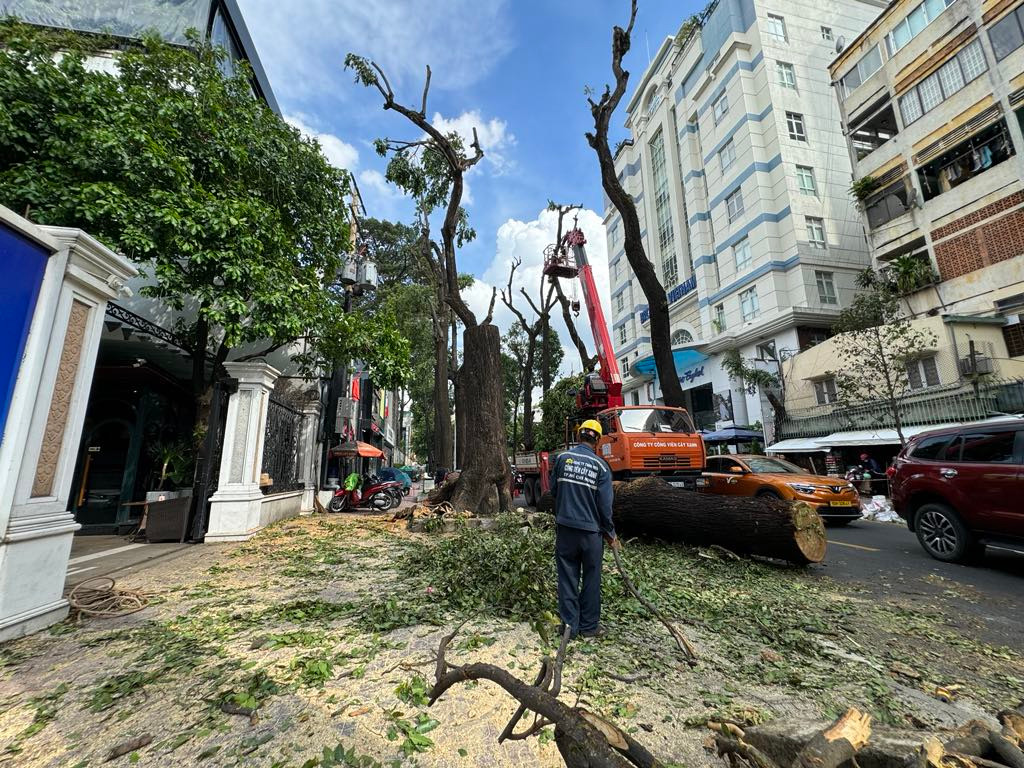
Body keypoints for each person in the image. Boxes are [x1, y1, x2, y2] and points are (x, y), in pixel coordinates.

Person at [549, 419, 618, 639]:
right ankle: (589, 628)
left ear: (579, 436)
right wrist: (610, 534)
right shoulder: (601, 467)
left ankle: (569, 627)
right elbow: (605, 507)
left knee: (567, 577)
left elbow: (554, 491)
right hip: (591, 534)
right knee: (591, 578)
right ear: (597, 440)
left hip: (566, 529)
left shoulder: (561, 459)